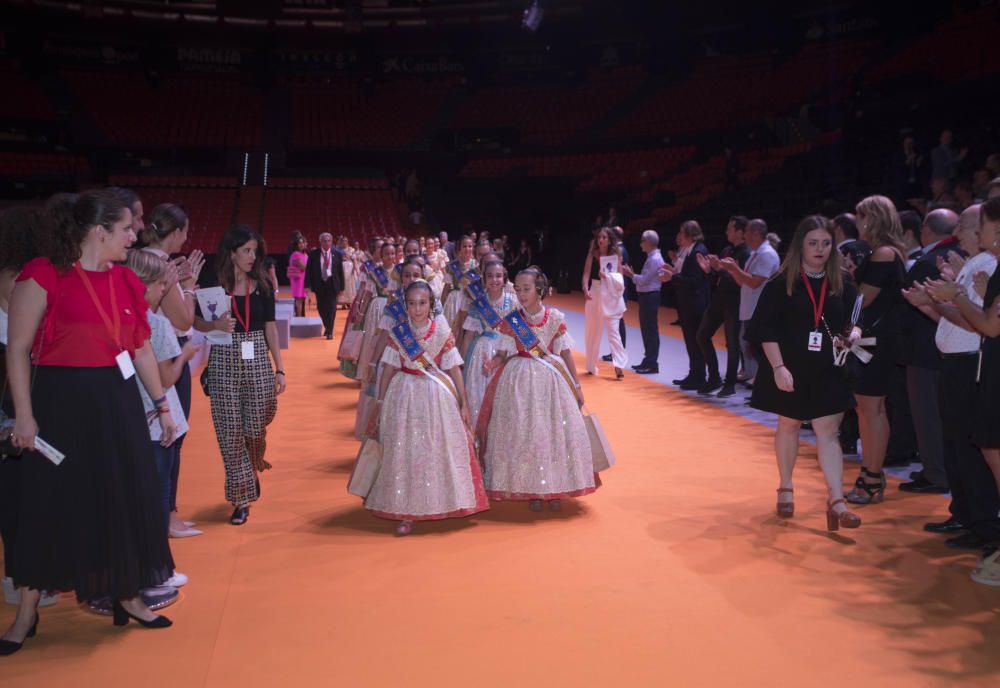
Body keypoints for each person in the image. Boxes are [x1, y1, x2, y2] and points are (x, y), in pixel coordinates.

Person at [2, 190, 179, 655]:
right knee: (47, 505)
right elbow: (18, 350)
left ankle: (129, 597)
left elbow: (139, 346)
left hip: (115, 403)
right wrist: (24, 414)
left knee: (122, 498)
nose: (135, 235)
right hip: (58, 404)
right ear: (98, 231)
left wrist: (162, 406)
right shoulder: (44, 275)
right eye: (126, 229)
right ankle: (26, 612)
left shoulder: (124, 280)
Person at [746, 215, 862, 531]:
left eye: (826, 243)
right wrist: (778, 368)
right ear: (801, 245)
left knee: (829, 431)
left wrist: (853, 335)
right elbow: (764, 330)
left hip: (828, 367)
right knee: (789, 424)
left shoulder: (843, 281)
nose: (820, 249)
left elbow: (853, 320)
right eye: (813, 243)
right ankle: (785, 485)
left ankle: (836, 500)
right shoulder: (782, 282)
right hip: (789, 367)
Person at [905, 204, 999, 552]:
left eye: (964, 224)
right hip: (956, 361)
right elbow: (959, 317)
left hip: (970, 363)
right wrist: (930, 304)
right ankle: (966, 513)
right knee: (957, 445)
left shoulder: (987, 265)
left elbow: (981, 324)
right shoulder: (974, 265)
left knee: (970, 447)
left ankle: (982, 522)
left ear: (983, 228)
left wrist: (943, 300)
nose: (956, 232)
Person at [364, 280, 488, 536]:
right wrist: (381, 401)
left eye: (422, 303)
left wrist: (463, 403)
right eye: (411, 304)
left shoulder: (442, 334)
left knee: (434, 448)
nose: (417, 308)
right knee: (406, 451)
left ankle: (440, 500)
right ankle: (407, 509)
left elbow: (454, 369)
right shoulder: (399, 334)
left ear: (431, 305)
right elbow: (388, 369)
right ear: (405, 306)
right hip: (404, 396)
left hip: (436, 398)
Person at [478, 267, 597, 512]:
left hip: (551, 382)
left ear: (539, 290)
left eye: (526, 289)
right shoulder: (512, 320)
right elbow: (503, 352)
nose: (521, 294)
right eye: (518, 289)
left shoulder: (555, 318)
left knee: (551, 434)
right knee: (525, 435)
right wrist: (493, 363)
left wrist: (576, 384)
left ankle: (554, 487)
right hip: (518, 381)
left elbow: (565, 352)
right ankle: (532, 487)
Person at [195, 225, 286, 527]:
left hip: (257, 353)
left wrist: (280, 367)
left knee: (256, 422)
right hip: (222, 359)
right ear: (231, 252)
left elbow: (271, 326)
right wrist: (213, 326)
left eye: (254, 251)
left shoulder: (261, 283)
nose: (252, 256)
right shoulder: (213, 284)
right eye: (246, 250)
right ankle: (241, 497)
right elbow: (193, 320)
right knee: (230, 430)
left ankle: (252, 463)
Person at [124, 250, 198, 589]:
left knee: (142, 497)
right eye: (159, 285)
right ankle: (157, 571)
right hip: (159, 420)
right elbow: (167, 378)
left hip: (136, 418)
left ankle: (149, 568)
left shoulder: (125, 318)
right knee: (158, 496)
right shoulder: (156, 324)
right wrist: (184, 354)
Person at [0, 206, 59, 610]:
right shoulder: (22, 277)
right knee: (25, 491)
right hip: (20, 382)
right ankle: (21, 578)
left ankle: (17, 577)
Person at [138, 203, 206, 539]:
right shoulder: (160, 267)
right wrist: (190, 286)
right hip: (167, 352)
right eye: (185, 230)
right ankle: (166, 515)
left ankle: (170, 511)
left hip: (164, 350)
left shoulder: (153, 260)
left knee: (171, 438)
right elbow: (183, 319)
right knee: (171, 437)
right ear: (176, 232)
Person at [843, 196, 907, 505]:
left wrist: (845, 276)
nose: (857, 222)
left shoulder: (883, 253)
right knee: (867, 409)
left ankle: (871, 477)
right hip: (874, 339)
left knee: (871, 409)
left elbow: (862, 300)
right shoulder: (885, 252)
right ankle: (871, 473)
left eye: (860, 216)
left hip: (877, 340)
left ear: (872, 218)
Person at [898, 208, 961, 495]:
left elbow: (907, 303)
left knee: (928, 415)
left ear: (926, 229)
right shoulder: (958, 255)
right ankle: (938, 469)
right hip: (947, 346)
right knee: (941, 415)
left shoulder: (928, 261)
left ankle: (937, 472)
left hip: (926, 349)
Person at [720, 218, 780, 386]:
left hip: (760, 309)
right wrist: (730, 270)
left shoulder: (766, 254)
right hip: (750, 307)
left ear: (755, 233)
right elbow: (743, 281)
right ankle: (759, 382)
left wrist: (734, 269)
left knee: (759, 349)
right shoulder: (756, 253)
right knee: (750, 347)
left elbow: (754, 282)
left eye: (746, 232)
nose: (744, 236)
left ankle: (765, 385)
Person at [694, 217, 750, 394]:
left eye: (730, 229)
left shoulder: (746, 253)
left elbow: (739, 281)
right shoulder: (727, 249)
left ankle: (730, 384)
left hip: (735, 302)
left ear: (740, 232)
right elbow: (718, 279)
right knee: (702, 335)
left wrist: (720, 269)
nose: (727, 232)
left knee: (732, 344)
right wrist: (709, 271)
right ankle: (714, 377)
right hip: (719, 299)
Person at [458, 259, 516, 429]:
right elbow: (468, 336)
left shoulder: (512, 302)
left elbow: (517, 332)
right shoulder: (478, 304)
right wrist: (462, 362)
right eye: (490, 276)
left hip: (506, 351)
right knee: (479, 392)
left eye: (498, 276)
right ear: (483, 279)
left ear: (504, 279)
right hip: (481, 352)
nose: (494, 280)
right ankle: (477, 430)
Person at [660, 221, 710, 389]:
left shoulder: (698, 251)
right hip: (688, 302)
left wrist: (672, 277)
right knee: (690, 339)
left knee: (695, 340)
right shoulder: (690, 249)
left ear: (690, 234)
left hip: (695, 303)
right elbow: (686, 275)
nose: (679, 235)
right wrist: (674, 272)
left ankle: (699, 376)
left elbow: (694, 281)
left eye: (682, 232)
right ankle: (694, 373)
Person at [582, 226, 627, 379]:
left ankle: (619, 365)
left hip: (611, 294)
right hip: (594, 291)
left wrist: (607, 277)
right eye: (599, 237)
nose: (601, 240)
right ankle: (591, 364)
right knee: (592, 331)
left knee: (614, 332)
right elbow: (586, 274)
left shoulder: (615, 255)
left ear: (610, 240)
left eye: (604, 237)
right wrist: (585, 288)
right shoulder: (592, 254)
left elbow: (620, 277)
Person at [622, 229, 666, 375]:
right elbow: (643, 280)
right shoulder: (652, 257)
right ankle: (648, 359)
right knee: (647, 330)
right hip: (647, 296)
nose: (640, 243)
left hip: (650, 296)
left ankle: (652, 362)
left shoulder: (655, 259)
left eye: (642, 240)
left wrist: (630, 274)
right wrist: (635, 276)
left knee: (650, 330)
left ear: (648, 242)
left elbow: (643, 280)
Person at [306, 232, 343, 340]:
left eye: (328, 241)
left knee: (332, 307)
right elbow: (308, 270)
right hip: (319, 284)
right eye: (324, 241)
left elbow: (341, 272)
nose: (326, 243)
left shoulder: (337, 254)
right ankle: (327, 326)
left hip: (332, 283)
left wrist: (342, 287)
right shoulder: (313, 254)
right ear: (320, 242)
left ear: (331, 242)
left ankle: (330, 330)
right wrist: (307, 285)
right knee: (321, 307)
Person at [287, 231, 308, 317]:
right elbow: (303, 267)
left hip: (303, 279)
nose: (301, 245)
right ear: (296, 245)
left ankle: (300, 317)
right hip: (298, 280)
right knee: (299, 300)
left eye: (303, 243)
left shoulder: (304, 254)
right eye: (299, 243)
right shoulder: (296, 254)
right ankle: (299, 318)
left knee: (301, 299)